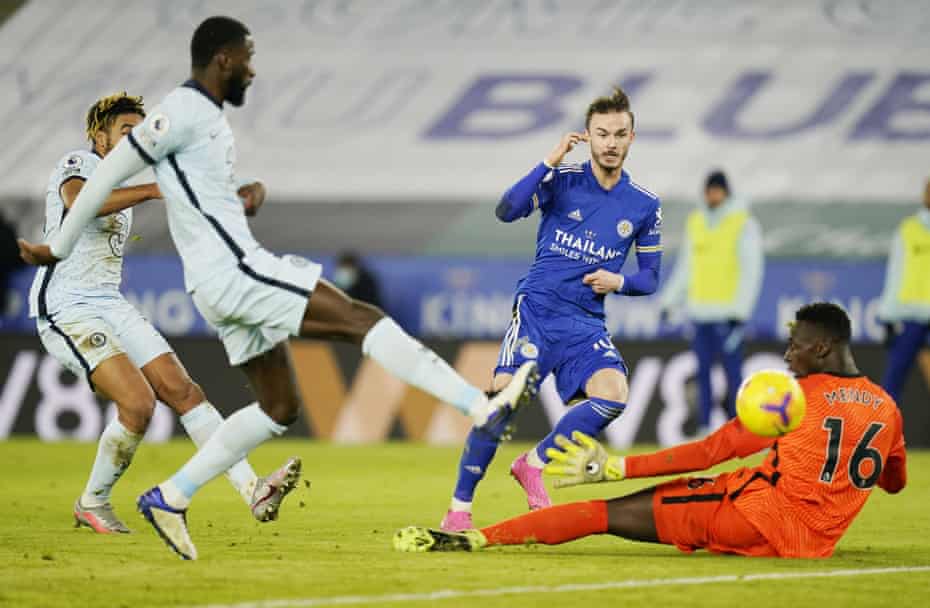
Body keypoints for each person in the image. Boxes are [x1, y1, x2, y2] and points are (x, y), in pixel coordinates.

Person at [17, 16, 538, 560]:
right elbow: (97, 183)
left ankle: (172, 496)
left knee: (278, 407)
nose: (252, 68)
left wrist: (240, 196)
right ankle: (481, 407)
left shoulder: (203, 123)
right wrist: (56, 249)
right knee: (359, 318)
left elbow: (187, 197)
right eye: (246, 57)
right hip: (228, 272)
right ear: (223, 60)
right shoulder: (181, 112)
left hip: (206, 287)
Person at [395, 303, 907, 558]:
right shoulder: (887, 408)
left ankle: (473, 540)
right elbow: (892, 481)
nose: (789, 354)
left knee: (600, 513)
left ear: (821, 349)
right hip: (815, 540)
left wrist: (615, 467)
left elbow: (711, 451)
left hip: (754, 519)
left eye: (796, 345)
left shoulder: (795, 401)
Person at [25, 92, 298, 534]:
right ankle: (92, 502)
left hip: (109, 303)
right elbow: (77, 203)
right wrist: (153, 190)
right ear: (100, 137)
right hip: (66, 306)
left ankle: (254, 491)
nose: (137, 140)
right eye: (126, 132)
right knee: (138, 404)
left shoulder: (132, 179)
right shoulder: (79, 162)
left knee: (184, 391)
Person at [440, 88, 663, 532]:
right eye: (602, 134)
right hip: (538, 311)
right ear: (589, 136)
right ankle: (459, 509)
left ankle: (534, 463)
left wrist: (618, 281)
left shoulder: (644, 205)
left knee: (613, 393)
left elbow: (651, 278)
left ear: (632, 137)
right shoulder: (562, 181)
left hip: (584, 323)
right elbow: (507, 210)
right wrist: (548, 161)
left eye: (620, 133)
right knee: (501, 404)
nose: (611, 143)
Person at [658, 170, 764, 435]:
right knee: (703, 375)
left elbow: (752, 270)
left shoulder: (743, 223)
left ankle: (739, 429)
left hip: (728, 314)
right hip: (700, 313)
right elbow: (686, 267)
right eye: (709, 190)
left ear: (726, 192)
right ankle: (706, 428)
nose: (712, 195)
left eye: (717, 190)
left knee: (733, 376)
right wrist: (670, 301)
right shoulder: (696, 222)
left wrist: (741, 311)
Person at [877, 178, 930, 402]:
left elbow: (895, 274)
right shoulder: (909, 229)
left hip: (912, 317)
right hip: (911, 317)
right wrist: (888, 316)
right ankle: (882, 433)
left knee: (893, 382)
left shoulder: (909, 228)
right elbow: (896, 274)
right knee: (893, 382)